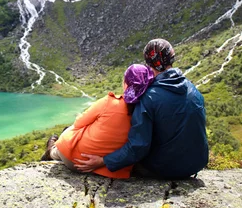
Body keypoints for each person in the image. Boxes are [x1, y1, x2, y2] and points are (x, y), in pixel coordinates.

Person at [74, 38, 209, 179]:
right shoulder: (193, 90)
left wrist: (103, 161)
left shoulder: (149, 97)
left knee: (127, 165)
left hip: (165, 168)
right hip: (197, 163)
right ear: (171, 58)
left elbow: (138, 147)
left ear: (148, 62)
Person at [41, 64, 154, 179]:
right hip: (109, 169)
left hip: (76, 161)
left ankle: (51, 150)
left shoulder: (109, 102)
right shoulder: (147, 111)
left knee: (70, 132)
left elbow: (79, 123)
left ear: (125, 84)